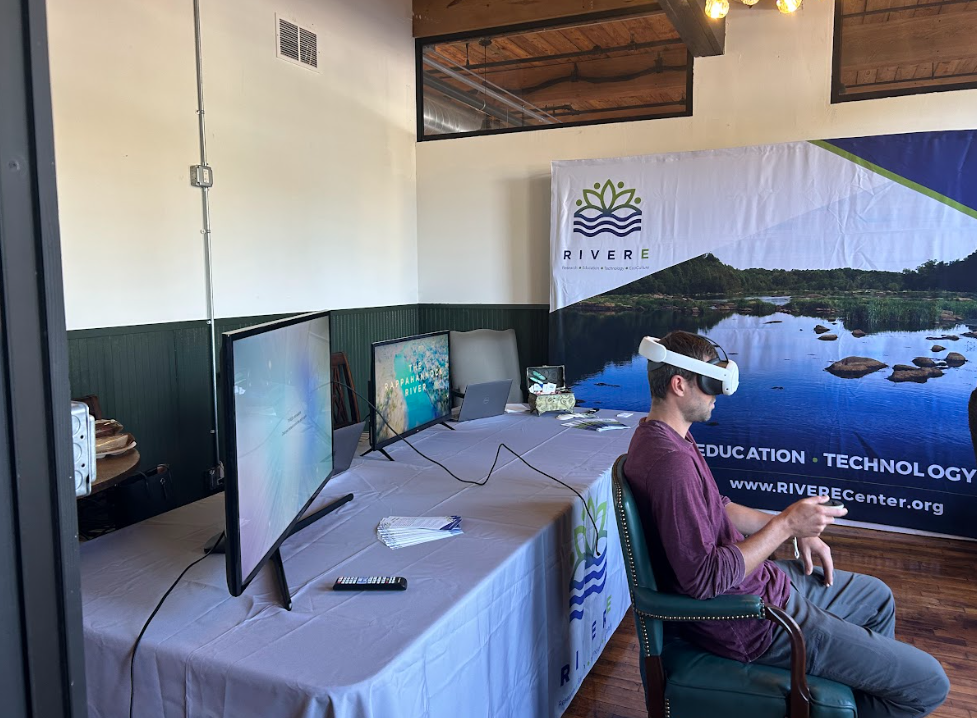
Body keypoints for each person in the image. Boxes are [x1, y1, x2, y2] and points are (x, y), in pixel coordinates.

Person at [623, 330, 949, 718]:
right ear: (679, 385)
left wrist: (790, 525)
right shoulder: (670, 464)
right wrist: (785, 526)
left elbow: (719, 508)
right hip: (749, 621)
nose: (717, 395)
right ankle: (836, 703)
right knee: (929, 683)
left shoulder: (666, 438)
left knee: (877, 598)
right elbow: (705, 579)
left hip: (764, 584)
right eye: (710, 383)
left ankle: (847, 689)